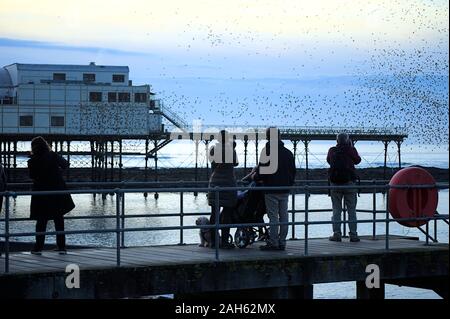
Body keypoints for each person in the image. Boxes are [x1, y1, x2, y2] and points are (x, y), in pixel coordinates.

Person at [28, 136, 75, 255]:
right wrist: (57, 173)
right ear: (46, 145)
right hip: (57, 192)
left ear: (33, 147)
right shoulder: (53, 155)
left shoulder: (33, 160)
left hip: (41, 193)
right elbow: (65, 164)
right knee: (59, 220)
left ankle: (38, 248)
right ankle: (62, 247)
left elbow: (32, 176)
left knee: (41, 221)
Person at [254, 127, 296, 251]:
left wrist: (255, 177)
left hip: (271, 188)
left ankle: (273, 243)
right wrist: (289, 183)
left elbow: (262, 172)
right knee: (284, 216)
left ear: (268, 137)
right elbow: (293, 171)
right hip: (284, 189)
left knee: (273, 217)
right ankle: (282, 242)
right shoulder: (288, 152)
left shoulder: (267, 151)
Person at [327, 132, 361, 242]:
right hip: (349, 183)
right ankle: (353, 235)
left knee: (336, 210)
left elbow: (329, 161)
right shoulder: (351, 150)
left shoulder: (332, 150)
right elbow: (358, 160)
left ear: (337, 141)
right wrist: (351, 146)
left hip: (335, 184)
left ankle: (337, 234)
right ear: (347, 140)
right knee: (352, 210)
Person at [207, 130, 239, 249]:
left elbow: (212, 162)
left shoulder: (213, 149)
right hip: (228, 184)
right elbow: (235, 163)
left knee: (214, 214)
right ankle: (225, 242)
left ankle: (213, 242)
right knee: (227, 213)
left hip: (215, 184)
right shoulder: (231, 150)